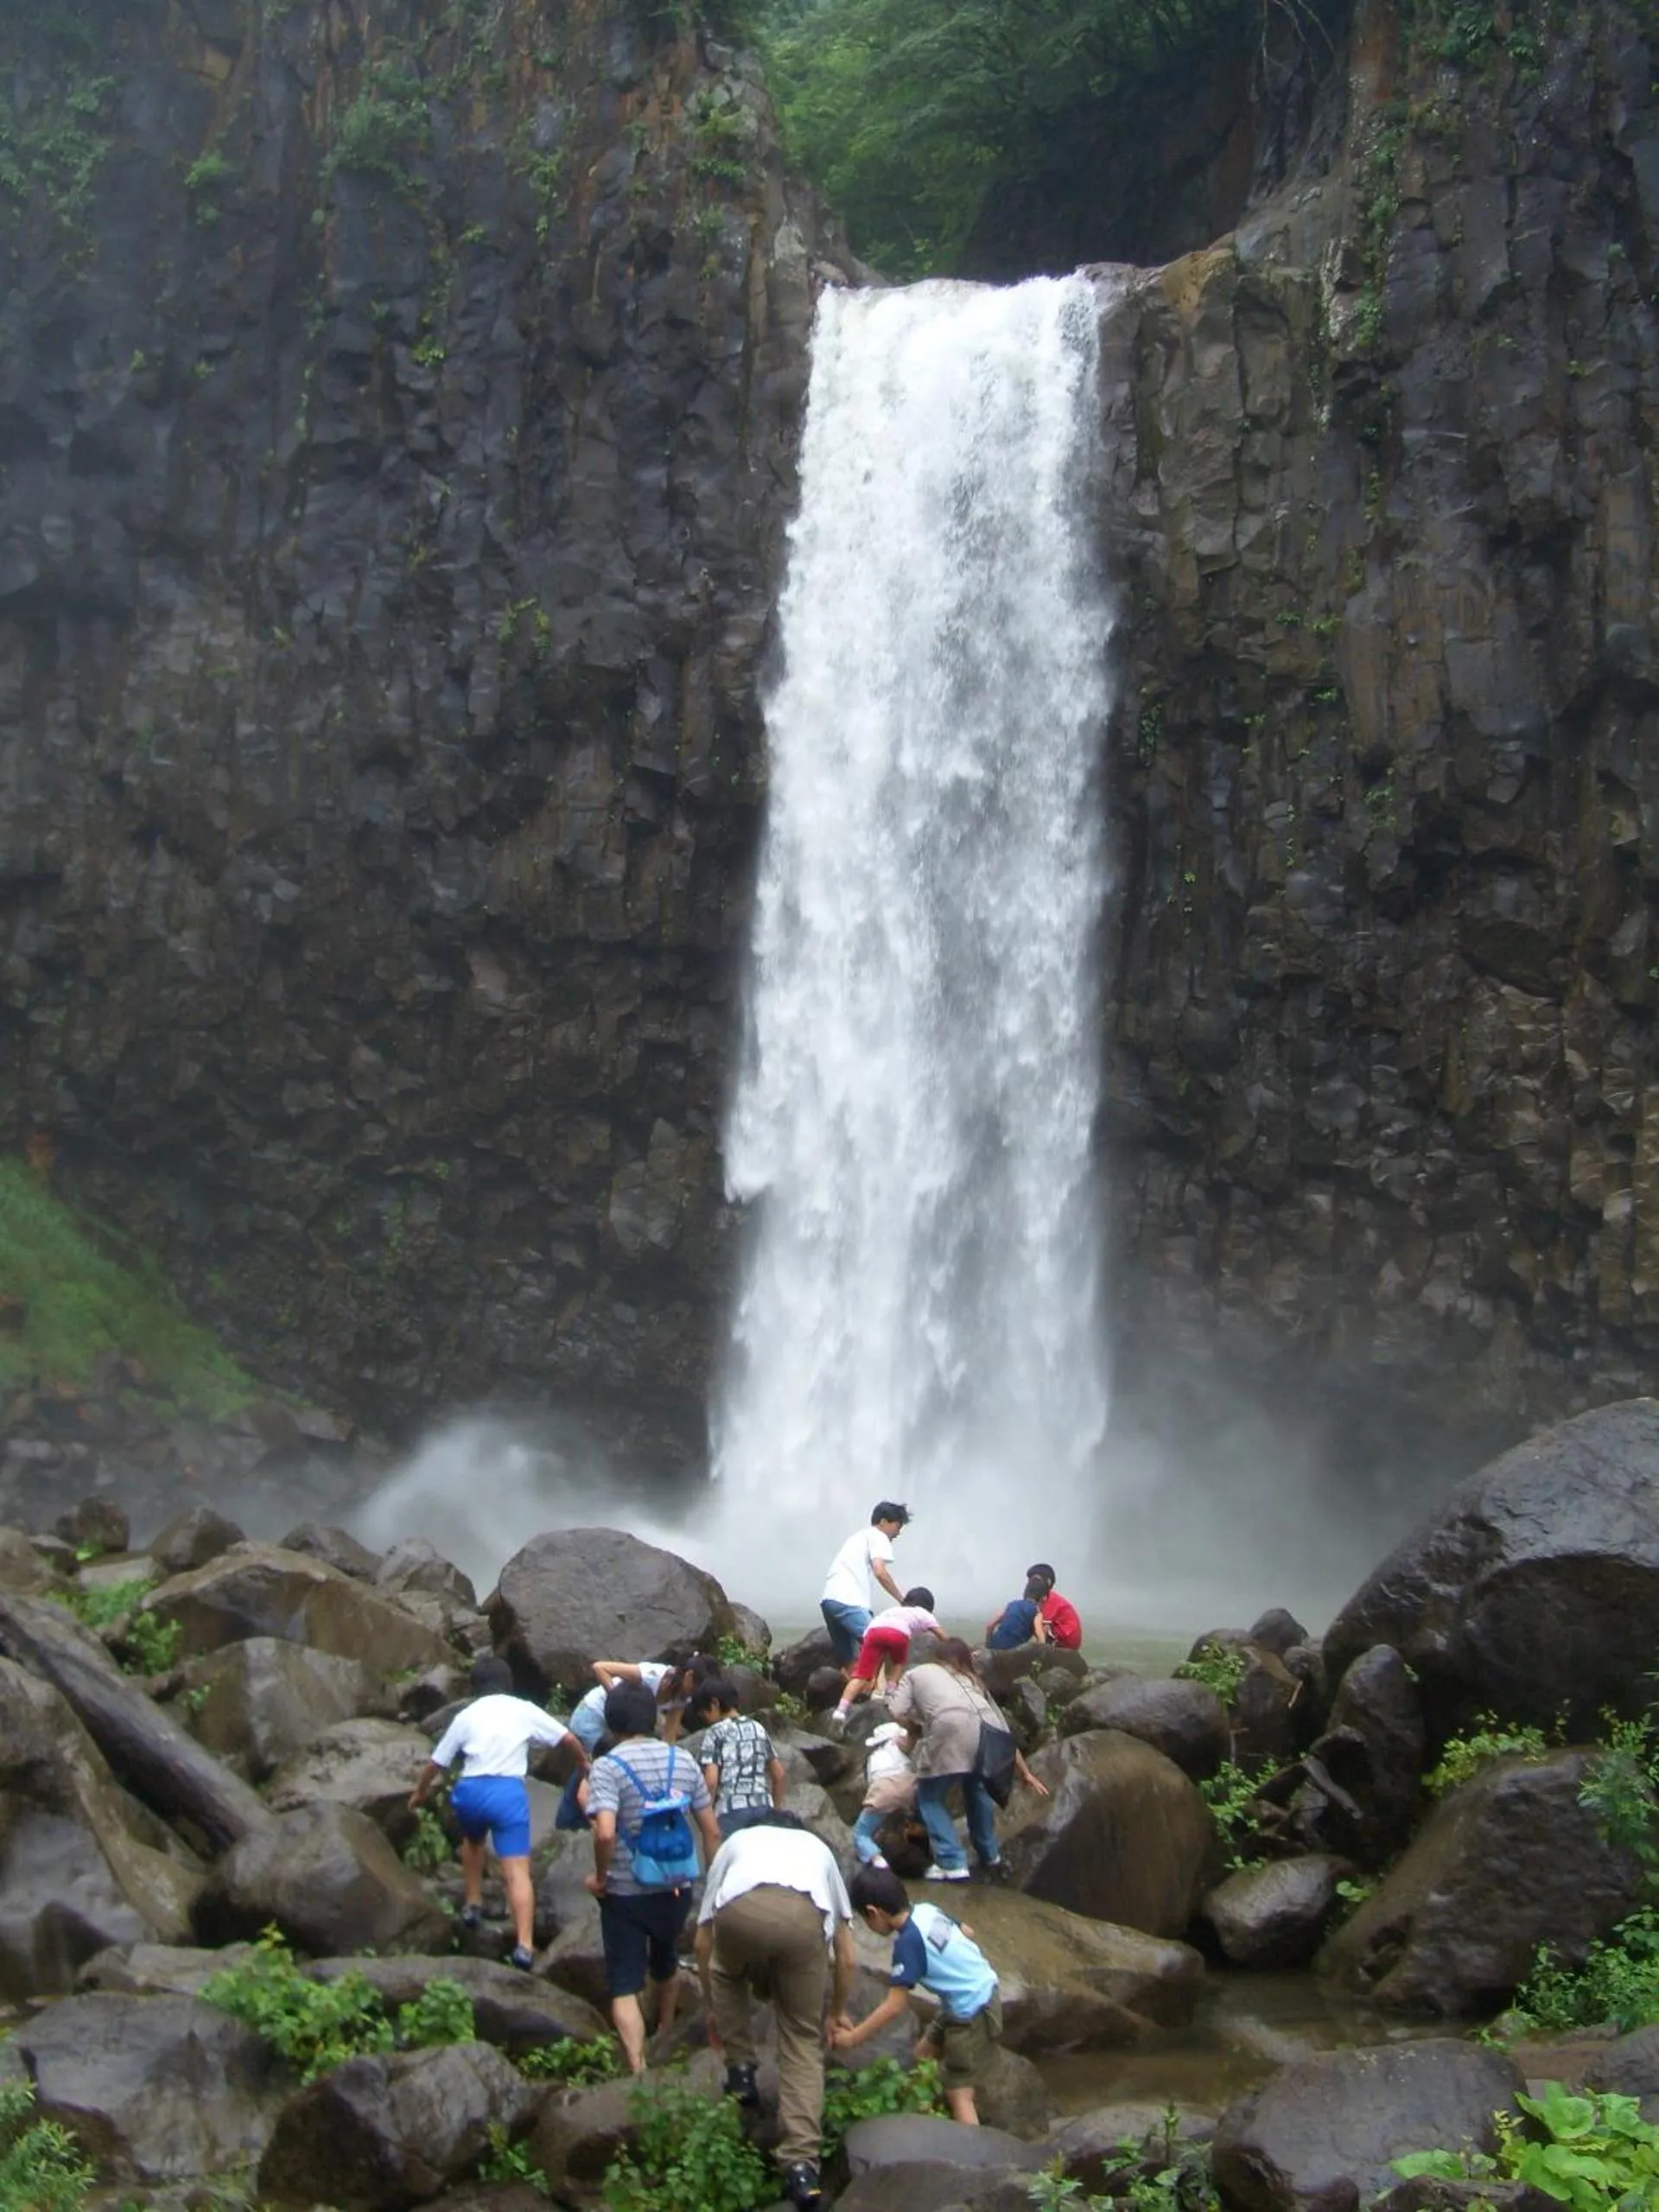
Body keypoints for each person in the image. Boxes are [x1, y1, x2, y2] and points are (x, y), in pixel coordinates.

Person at [695, 1815, 857, 2211]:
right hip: (805, 1917)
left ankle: (742, 2070)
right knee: (802, 2041)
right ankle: (801, 2167)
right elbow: (848, 1955)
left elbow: (702, 1941)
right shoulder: (819, 1851)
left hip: (741, 1910)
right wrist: (835, 2011)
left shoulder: (737, 1842)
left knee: (724, 1969)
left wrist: (714, 2006)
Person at [408, 1652, 585, 1970]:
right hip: (507, 1793)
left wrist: (420, 1792)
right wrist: (584, 1763)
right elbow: (567, 1738)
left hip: (471, 1790)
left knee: (473, 1841)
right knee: (516, 1871)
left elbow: (437, 1762)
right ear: (509, 1683)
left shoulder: (467, 1714)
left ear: (475, 1686)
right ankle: (525, 1946)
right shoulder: (524, 1710)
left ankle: (473, 1903)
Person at [585, 1680, 721, 2072]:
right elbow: (711, 1830)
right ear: (651, 1717)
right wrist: (711, 1886)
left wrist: (600, 1876)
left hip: (625, 1892)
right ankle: (664, 2032)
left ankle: (640, 2066)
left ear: (612, 1723)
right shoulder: (681, 1760)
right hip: (676, 1886)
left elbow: (606, 1831)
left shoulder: (608, 1767)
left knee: (625, 1982)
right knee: (666, 1962)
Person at [834, 1864, 1003, 2125]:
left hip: (973, 2012)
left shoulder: (908, 1942)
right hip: (967, 1998)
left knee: (959, 2092)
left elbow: (894, 2006)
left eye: (866, 1921)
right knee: (921, 2055)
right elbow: (967, 1931)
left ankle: (973, 2152)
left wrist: (853, 2038)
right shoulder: (926, 1910)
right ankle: (926, 2118)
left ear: (873, 1913)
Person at [888, 1638, 1047, 1879]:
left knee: (929, 1797)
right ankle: (990, 1854)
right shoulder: (974, 1680)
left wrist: (914, 1728)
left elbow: (896, 1710)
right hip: (988, 1731)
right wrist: (1025, 1773)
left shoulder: (917, 1672)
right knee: (976, 1787)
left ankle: (952, 1862)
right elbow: (1002, 1732)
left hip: (951, 1727)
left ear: (936, 1657)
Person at [830, 1586, 941, 1729]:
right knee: (899, 1662)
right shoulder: (923, 1613)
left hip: (873, 1632)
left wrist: (873, 1676)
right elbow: (942, 1635)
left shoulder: (890, 1611)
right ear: (927, 1606)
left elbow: (879, 1654)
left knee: (861, 1675)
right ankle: (890, 1694)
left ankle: (840, 1711)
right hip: (898, 1634)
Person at [819, 1503, 912, 1665]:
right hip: (849, 1602)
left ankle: (852, 1689)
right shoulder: (878, 1536)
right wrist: (903, 1600)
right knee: (881, 1645)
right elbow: (880, 1572)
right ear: (883, 1522)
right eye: (897, 1527)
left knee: (849, 1660)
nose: (898, 1533)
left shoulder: (857, 1537)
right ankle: (881, 1689)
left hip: (829, 1600)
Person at [696, 1678, 789, 1835]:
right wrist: (775, 1811)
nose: (705, 1719)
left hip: (730, 1811)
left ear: (714, 1704)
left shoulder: (714, 1733)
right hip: (763, 1808)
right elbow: (779, 1775)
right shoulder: (758, 1728)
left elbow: (711, 1781)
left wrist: (709, 1820)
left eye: (704, 1713)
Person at [568, 1654, 715, 1751]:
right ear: (689, 1676)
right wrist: (619, 1700)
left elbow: (669, 1737)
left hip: (618, 1726)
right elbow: (600, 1668)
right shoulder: (653, 1675)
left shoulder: (681, 1697)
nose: (695, 1694)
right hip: (592, 1714)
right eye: (696, 1688)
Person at [852, 1718, 915, 1867]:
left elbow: (871, 1785)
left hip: (883, 1793)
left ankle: (878, 1862)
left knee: (860, 1834)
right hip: (910, 1788)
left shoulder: (873, 1757)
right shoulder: (903, 1747)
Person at [984, 1574, 1052, 1652]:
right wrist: (1044, 1634)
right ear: (1044, 1598)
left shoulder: (1012, 1604)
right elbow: (1040, 1639)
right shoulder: (1037, 1612)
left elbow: (990, 1626)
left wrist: (988, 1647)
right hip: (1011, 1655)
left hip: (994, 1648)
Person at [1026, 1564, 1083, 1650]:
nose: (1032, 1583)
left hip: (1067, 1637)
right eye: (1030, 1580)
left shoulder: (1050, 1600)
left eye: (1036, 1579)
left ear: (1048, 1582)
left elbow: (1042, 1627)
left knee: (1038, 1626)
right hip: (1061, 1633)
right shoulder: (1044, 1598)